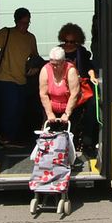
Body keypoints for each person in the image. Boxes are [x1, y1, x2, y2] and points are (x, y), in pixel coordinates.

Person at [0, 7, 39, 146]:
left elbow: (35, 56)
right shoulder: (6, 33)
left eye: (27, 23)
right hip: (5, 78)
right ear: (16, 21)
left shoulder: (30, 38)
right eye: (22, 23)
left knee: (19, 109)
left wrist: (34, 68)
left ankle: (12, 137)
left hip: (22, 80)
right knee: (9, 109)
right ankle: (6, 137)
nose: (25, 26)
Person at [58, 23, 100, 167]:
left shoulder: (81, 51)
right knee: (68, 113)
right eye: (66, 41)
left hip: (80, 87)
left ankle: (87, 141)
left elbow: (89, 67)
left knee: (92, 107)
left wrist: (93, 77)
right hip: (63, 88)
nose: (69, 45)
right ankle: (67, 143)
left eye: (72, 42)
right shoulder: (58, 51)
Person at [38, 45, 80, 128]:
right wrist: (49, 113)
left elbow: (74, 94)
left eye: (57, 64)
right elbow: (43, 94)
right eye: (52, 64)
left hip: (69, 108)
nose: (54, 67)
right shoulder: (45, 70)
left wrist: (67, 113)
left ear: (63, 62)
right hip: (51, 108)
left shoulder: (70, 70)